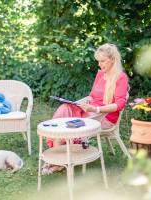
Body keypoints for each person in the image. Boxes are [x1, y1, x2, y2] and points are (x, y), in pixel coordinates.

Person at [42, 43, 129, 175]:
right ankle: (59, 159)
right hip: (90, 111)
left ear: (112, 60)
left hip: (104, 118)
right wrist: (80, 103)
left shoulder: (121, 77)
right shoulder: (100, 74)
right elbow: (92, 95)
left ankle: (59, 162)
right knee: (64, 109)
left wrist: (96, 109)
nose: (100, 64)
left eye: (102, 61)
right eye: (98, 61)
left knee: (69, 124)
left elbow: (119, 105)